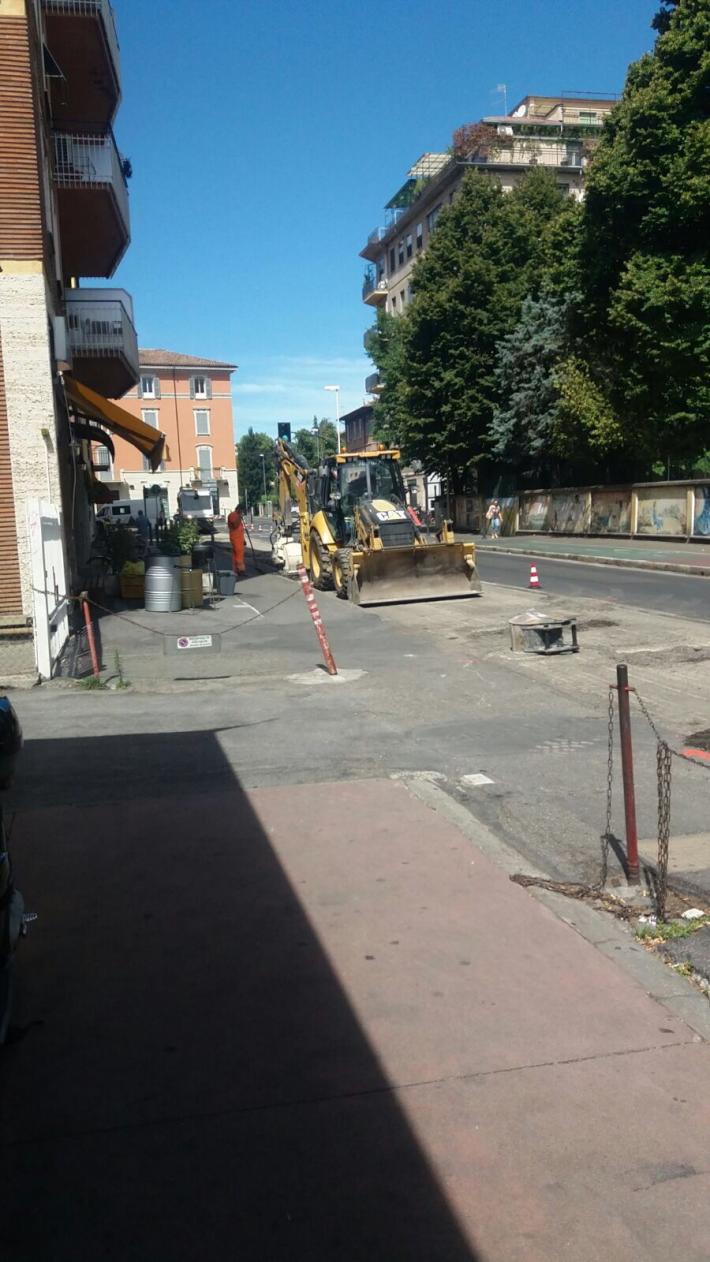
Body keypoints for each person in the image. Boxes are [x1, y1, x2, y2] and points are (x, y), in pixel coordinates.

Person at [227, 503, 247, 576]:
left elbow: (240, 529)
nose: (243, 513)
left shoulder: (237, 516)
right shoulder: (233, 515)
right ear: (239, 509)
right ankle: (240, 570)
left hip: (239, 538)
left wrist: (243, 540)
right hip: (235, 538)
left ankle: (238, 570)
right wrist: (239, 517)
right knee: (238, 555)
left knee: (238, 555)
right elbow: (235, 525)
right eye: (242, 511)